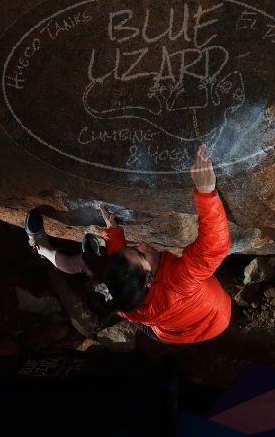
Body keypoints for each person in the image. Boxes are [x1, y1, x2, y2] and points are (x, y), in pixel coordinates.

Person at [26, 144, 232, 344]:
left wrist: (114, 232)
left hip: (170, 332)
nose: (142, 244)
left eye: (134, 249)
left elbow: (127, 263)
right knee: (94, 266)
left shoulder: (124, 300)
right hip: (215, 318)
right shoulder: (177, 283)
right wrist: (206, 192)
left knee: (92, 265)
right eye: (142, 255)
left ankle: (45, 249)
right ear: (149, 280)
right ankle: (46, 250)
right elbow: (212, 247)